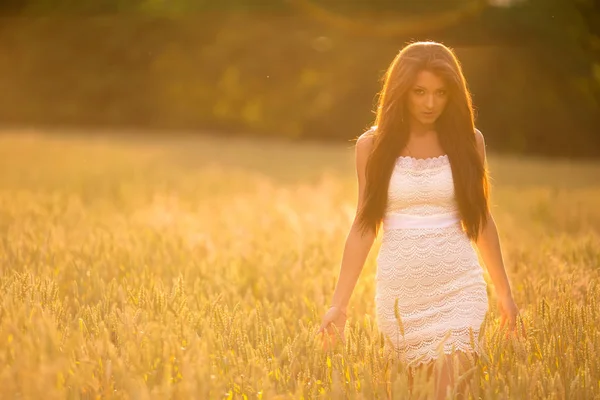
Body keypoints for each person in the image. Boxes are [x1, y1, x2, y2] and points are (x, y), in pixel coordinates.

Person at [317, 41, 526, 399]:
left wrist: (505, 293)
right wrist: (340, 303)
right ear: (401, 91)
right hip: (401, 299)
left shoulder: (469, 141)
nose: (430, 103)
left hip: (459, 290)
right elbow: (364, 226)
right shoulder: (373, 145)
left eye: (440, 93)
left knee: (451, 390)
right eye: (419, 92)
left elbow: (480, 220)